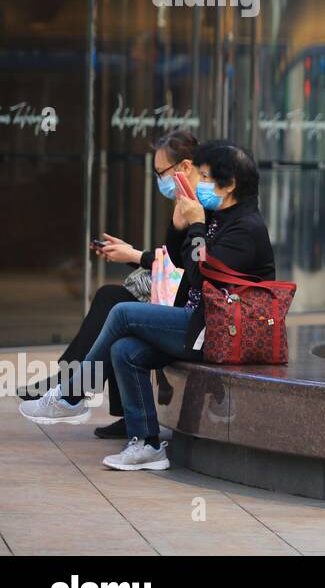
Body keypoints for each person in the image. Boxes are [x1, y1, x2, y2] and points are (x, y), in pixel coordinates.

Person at [20, 141, 275, 471]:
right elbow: (176, 260)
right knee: (125, 349)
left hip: (221, 333)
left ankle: (72, 395)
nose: (201, 183)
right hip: (200, 324)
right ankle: (147, 444)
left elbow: (201, 279)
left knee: (122, 311)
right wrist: (181, 224)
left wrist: (196, 225)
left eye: (208, 177)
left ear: (229, 186)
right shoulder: (220, 216)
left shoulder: (246, 230)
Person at [17, 128, 200, 439]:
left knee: (117, 305)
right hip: (181, 303)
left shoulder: (201, 206)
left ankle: (70, 387)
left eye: (162, 172)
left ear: (184, 167)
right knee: (114, 301)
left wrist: (134, 254)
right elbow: (176, 260)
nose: (160, 180)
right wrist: (131, 254)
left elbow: (184, 268)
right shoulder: (186, 204)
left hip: (192, 315)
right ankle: (76, 390)